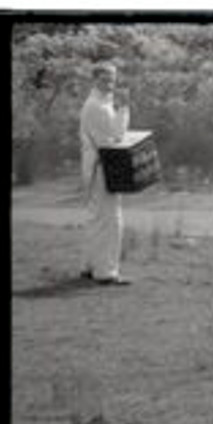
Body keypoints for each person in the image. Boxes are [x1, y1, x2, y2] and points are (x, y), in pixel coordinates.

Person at [79, 62, 132, 285]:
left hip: (96, 166)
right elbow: (116, 135)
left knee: (97, 218)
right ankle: (106, 272)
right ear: (95, 80)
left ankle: (90, 266)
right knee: (110, 220)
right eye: (104, 78)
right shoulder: (97, 106)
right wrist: (124, 107)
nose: (110, 83)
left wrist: (117, 108)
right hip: (103, 167)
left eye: (112, 78)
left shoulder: (99, 103)